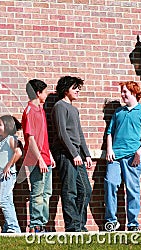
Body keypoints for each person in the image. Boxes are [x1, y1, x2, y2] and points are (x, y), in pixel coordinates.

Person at [104, 81, 141, 232]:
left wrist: (139, 152)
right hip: (115, 157)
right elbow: (109, 133)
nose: (122, 95)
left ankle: (133, 224)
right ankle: (111, 221)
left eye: (125, 92)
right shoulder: (118, 112)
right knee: (110, 183)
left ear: (134, 93)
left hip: (133, 157)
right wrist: (109, 149)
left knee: (132, 190)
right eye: (122, 92)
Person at [51, 76, 92, 232]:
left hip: (77, 155)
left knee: (85, 189)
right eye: (75, 88)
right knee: (70, 190)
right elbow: (62, 134)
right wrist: (74, 154)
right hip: (65, 154)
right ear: (65, 89)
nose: (77, 91)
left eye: (78, 88)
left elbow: (79, 134)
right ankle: (72, 227)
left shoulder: (74, 109)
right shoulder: (59, 107)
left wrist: (86, 154)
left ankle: (79, 224)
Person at [22, 79, 55, 233]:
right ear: (38, 93)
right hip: (36, 160)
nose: (46, 94)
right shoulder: (29, 112)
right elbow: (31, 138)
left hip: (46, 158)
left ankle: (43, 224)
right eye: (45, 91)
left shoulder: (40, 110)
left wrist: (49, 156)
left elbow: (44, 137)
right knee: (37, 193)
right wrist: (40, 159)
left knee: (47, 193)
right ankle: (36, 225)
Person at [0, 115, 22, 233]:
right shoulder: (3, 140)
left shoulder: (11, 138)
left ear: (7, 126)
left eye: (0, 125)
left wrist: (7, 166)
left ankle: (14, 228)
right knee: (8, 201)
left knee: (3, 200)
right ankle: (8, 227)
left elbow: (18, 152)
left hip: (8, 175)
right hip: (2, 176)